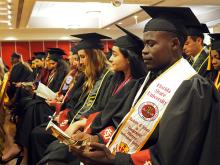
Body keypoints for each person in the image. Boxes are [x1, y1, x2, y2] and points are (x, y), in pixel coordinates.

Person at [70, 6, 220, 165]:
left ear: (175, 44)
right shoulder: (144, 83)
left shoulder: (194, 89)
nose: (144, 51)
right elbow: (120, 121)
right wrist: (95, 138)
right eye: (144, 45)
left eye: (151, 44)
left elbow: (173, 154)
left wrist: (116, 160)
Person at [36, 25, 147, 165]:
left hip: (111, 140)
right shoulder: (115, 79)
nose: (110, 58)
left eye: (115, 54)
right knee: (52, 145)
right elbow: (102, 108)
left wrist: (89, 131)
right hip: (95, 128)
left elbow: (116, 119)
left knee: (55, 151)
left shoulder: (136, 84)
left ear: (129, 58)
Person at [29, 33, 113, 165]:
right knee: (37, 130)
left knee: (40, 134)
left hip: (89, 127)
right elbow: (79, 103)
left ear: (94, 56)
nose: (78, 62)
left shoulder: (109, 77)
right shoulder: (89, 76)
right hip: (75, 119)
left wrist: (76, 121)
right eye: (78, 58)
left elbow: (101, 108)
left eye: (82, 57)